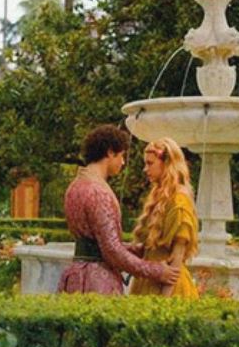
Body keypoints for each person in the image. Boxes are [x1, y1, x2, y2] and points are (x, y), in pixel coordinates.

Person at [58, 125, 182, 295]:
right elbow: (111, 251)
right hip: (97, 281)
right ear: (110, 152)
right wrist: (157, 271)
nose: (123, 162)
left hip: (76, 274)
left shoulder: (75, 186)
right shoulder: (98, 192)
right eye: (122, 155)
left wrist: (138, 249)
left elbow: (97, 243)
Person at [128, 137, 199, 298]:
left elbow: (177, 257)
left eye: (150, 163)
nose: (145, 169)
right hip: (150, 278)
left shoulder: (179, 199)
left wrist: (164, 301)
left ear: (166, 163)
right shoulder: (159, 196)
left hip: (167, 286)